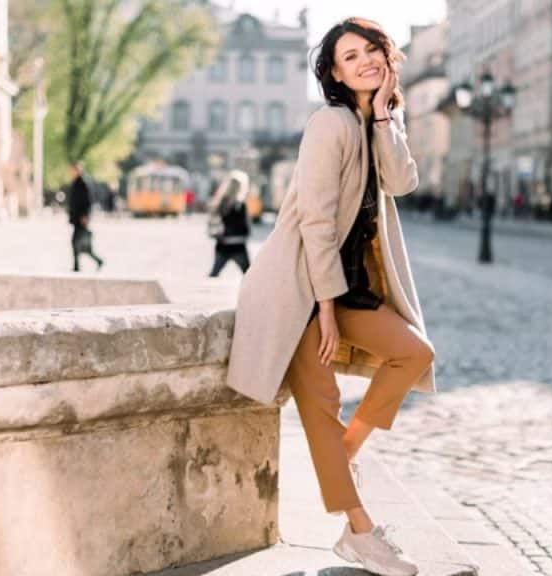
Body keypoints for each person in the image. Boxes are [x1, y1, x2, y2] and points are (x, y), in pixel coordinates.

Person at [226, 18, 434, 576]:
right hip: (299, 288)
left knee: (414, 353)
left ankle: (342, 456)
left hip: (348, 286)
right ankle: (361, 534)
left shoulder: (376, 120)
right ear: (335, 73)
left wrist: (385, 115)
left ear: (387, 55)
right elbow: (316, 222)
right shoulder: (329, 124)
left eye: (372, 50)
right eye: (351, 56)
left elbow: (403, 182)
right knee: (321, 406)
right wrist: (323, 310)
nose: (365, 61)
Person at [207, 170, 252, 276]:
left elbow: (213, 221)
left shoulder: (220, 203)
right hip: (238, 246)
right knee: (249, 275)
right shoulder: (240, 206)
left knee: (213, 274)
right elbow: (246, 228)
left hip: (222, 245)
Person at [67, 162, 104, 272]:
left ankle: (77, 266)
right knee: (79, 243)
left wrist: (86, 215)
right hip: (77, 217)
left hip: (81, 218)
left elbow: (88, 201)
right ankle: (94, 261)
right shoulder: (76, 182)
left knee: (76, 241)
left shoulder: (83, 182)